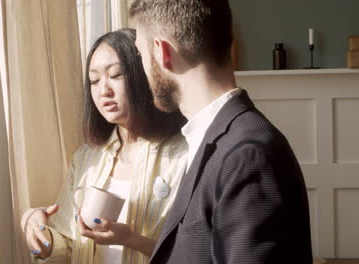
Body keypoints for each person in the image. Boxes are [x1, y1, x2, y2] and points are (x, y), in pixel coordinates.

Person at [130, 1, 313, 263]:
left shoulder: (248, 157)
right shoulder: (212, 139)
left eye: (140, 54)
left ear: (161, 52)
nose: (142, 68)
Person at [21, 28, 187, 264]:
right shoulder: (87, 158)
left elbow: (195, 252)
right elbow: (69, 246)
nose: (103, 90)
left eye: (116, 75)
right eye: (94, 80)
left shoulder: (183, 155)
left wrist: (132, 239)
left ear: (144, 75)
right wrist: (40, 236)